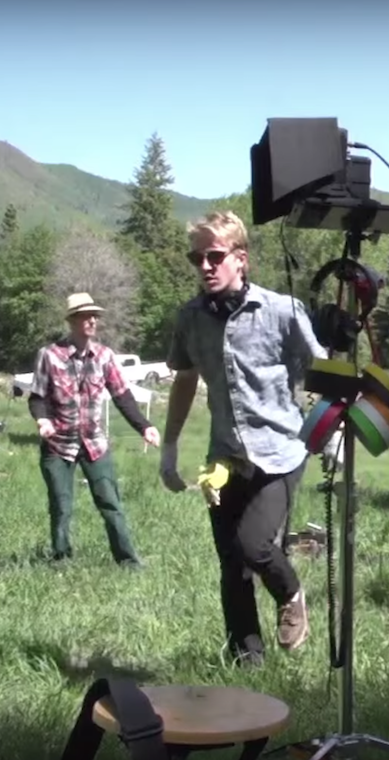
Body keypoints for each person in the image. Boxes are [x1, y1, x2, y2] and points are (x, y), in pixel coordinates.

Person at [159, 210, 325, 666]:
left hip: (281, 451)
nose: (205, 266)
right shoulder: (190, 319)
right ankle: (248, 665)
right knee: (232, 564)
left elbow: (322, 372)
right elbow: (185, 379)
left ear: (241, 259)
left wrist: (334, 437)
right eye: (197, 258)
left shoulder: (281, 311)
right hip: (227, 456)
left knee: (255, 545)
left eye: (215, 256)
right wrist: (170, 446)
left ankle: (291, 594)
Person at [27, 293, 160, 568]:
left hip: (94, 443)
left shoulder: (104, 356)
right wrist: (43, 420)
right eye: (86, 315)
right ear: (72, 320)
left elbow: (122, 396)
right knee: (61, 505)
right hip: (58, 444)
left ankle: (128, 562)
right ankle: (61, 559)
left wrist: (144, 426)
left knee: (110, 502)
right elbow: (37, 397)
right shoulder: (49, 355)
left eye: (95, 315)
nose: (92, 320)